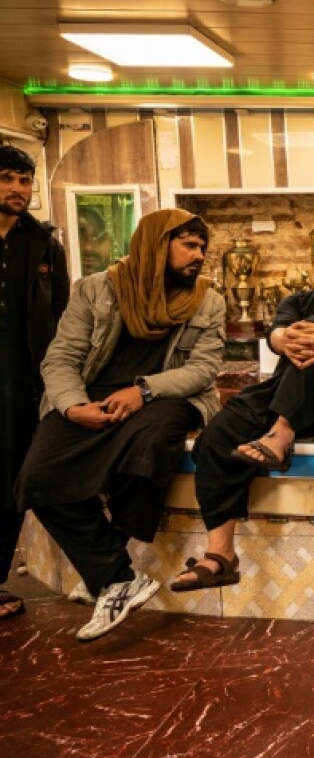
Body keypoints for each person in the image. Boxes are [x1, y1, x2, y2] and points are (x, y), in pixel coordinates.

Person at [15, 208, 224, 640]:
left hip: (166, 395)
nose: (199, 255)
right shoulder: (95, 289)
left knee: (149, 449)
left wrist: (142, 391)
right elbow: (61, 358)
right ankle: (116, 576)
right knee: (37, 477)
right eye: (189, 245)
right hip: (91, 396)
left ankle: (107, 575)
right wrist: (73, 406)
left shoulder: (208, 300)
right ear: (156, 245)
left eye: (202, 247)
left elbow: (203, 370)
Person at [174, 225, 314, 593]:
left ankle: (281, 433)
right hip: (292, 390)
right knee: (218, 434)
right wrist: (286, 340)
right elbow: (276, 334)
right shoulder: (297, 301)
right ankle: (220, 556)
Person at [0, 146, 69, 620]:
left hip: (26, 383)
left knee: (13, 481)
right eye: (7, 178)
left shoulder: (45, 245)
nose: (17, 189)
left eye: (24, 181)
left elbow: (62, 316)